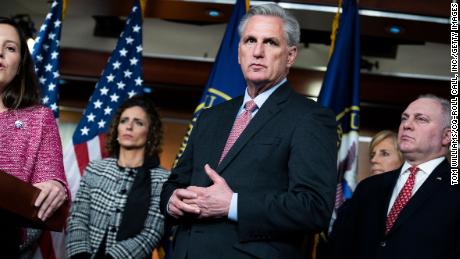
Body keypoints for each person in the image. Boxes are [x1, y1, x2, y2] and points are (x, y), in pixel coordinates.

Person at [160, 4, 337, 259]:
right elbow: (175, 183)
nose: (257, 52)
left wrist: (232, 205)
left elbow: (314, 208)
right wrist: (172, 201)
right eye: (250, 40)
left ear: (290, 55)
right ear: (239, 52)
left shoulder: (311, 118)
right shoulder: (210, 117)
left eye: (271, 43)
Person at [331, 94, 459, 259]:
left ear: (447, 136)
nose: (407, 125)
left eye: (421, 119)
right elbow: (340, 248)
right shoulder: (368, 187)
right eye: (404, 118)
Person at [66, 95, 170, 259]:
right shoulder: (95, 169)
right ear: (117, 129)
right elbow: (77, 219)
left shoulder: (163, 179)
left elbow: (152, 233)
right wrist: (80, 255)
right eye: (124, 121)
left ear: (150, 133)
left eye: (138, 122)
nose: (129, 126)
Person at [0, 17, 69, 258]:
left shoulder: (39, 119)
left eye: (10, 48)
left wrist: (53, 189)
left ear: (20, 64)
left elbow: (49, 181)